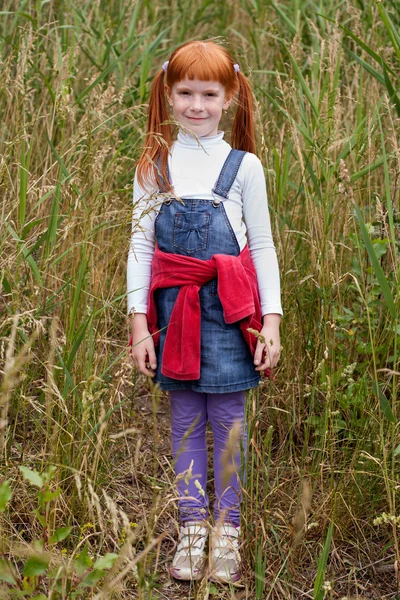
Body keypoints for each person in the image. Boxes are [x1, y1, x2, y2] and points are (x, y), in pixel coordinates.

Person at [127, 40, 282, 584]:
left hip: (231, 311)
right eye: (186, 93)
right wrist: (140, 323)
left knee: (229, 421)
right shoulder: (155, 163)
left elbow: (261, 246)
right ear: (168, 96)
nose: (197, 104)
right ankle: (193, 527)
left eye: (208, 94)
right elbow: (140, 249)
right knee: (186, 419)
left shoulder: (245, 167)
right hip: (175, 312)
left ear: (229, 96)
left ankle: (229, 529)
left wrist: (273, 322)